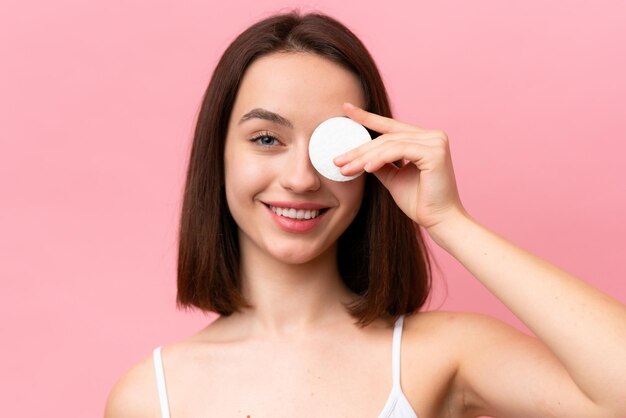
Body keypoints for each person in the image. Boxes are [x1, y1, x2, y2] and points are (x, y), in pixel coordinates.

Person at [105, 10, 626, 418]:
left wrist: (449, 222)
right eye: (266, 139)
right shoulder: (150, 397)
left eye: (332, 150)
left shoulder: (444, 356)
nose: (302, 179)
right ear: (217, 154)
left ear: (371, 163)